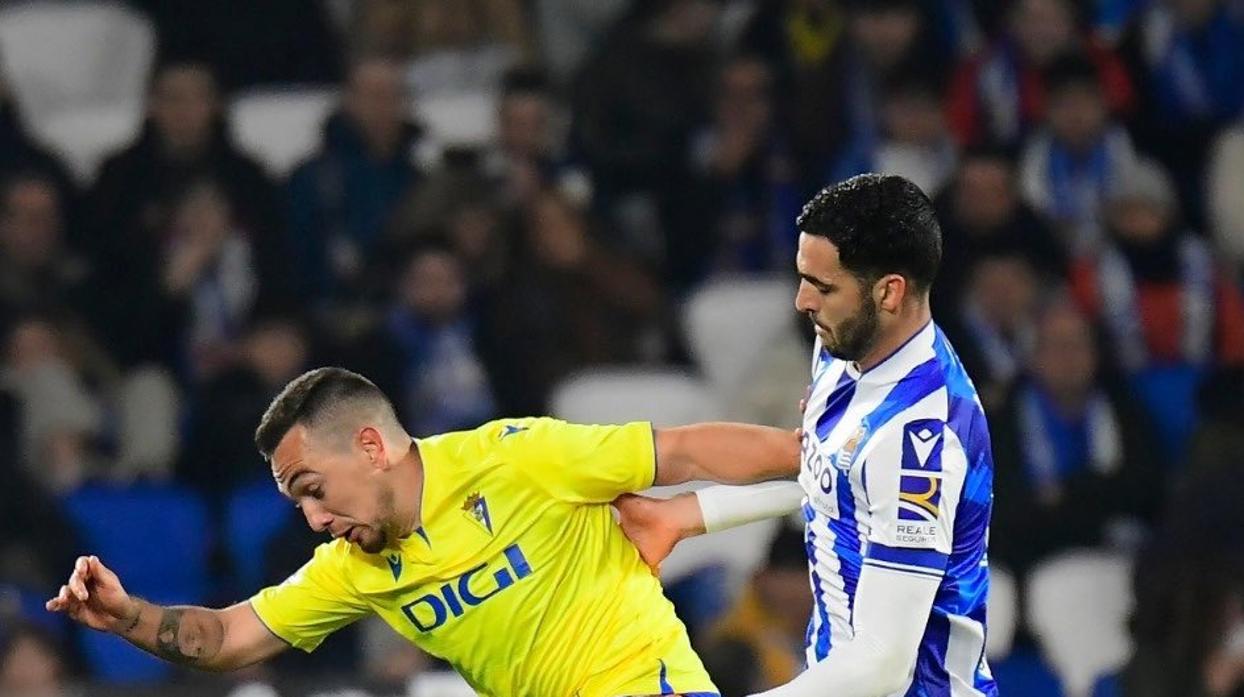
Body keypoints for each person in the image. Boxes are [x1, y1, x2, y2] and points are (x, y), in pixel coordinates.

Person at [46, 366, 801, 696]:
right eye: (295, 503)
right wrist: (128, 617)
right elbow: (230, 636)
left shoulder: (516, 459)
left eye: (313, 490)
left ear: (372, 448)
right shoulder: (357, 565)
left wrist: (810, 452)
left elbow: (684, 449)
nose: (313, 519)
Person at [617, 174, 996, 696]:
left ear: (889, 292)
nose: (801, 302)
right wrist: (689, 515)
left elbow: (883, 664)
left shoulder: (918, 441)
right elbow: (832, 472)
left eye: (822, 287)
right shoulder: (846, 350)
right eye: (803, 279)